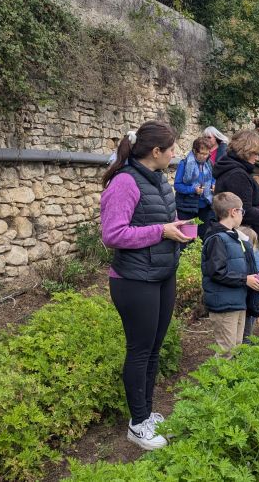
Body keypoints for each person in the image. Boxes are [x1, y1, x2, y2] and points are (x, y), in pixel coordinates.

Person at [100, 121, 191, 451]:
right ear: (156, 152)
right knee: (140, 351)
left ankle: (146, 412)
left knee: (154, 348)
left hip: (162, 273)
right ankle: (137, 426)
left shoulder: (159, 180)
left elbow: (160, 222)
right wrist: (161, 232)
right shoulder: (125, 183)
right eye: (171, 149)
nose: (175, 154)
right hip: (135, 280)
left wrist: (177, 233)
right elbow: (112, 234)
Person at [201, 193, 259, 356]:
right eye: (242, 212)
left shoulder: (235, 237)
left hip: (237, 300)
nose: (242, 215)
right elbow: (216, 271)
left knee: (236, 346)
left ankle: (230, 380)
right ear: (233, 212)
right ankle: (217, 381)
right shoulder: (217, 239)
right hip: (224, 304)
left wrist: (256, 280)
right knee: (226, 349)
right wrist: (245, 279)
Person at [174, 136, 214, 239]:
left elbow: (213, 178)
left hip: (205, 205)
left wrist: (213, 184)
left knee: (202, 236)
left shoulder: (209, 164)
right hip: (187, 206)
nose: (205, 156)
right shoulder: (184, 163)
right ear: (195, 151)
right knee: (187, 237)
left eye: (207, 153)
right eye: (202, 153)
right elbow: (177, 185)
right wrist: (193, 189)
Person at [237, 225, 259, 343]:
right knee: (246, 335)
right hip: (249, 307)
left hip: (239, 306)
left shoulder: (237, 261)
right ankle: (243, 354)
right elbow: (255, 293)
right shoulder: (251, 267)